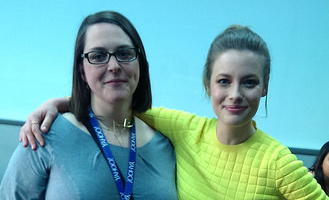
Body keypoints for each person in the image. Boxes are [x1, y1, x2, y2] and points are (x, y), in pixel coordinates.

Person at [18, 25, 329, 199]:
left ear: (265, 87)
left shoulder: (278, 162)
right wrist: (60, 103)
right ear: (208, 85)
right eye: (224, 81)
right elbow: (118, 104)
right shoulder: (185, 130)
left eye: (249, 82)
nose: (235, 95)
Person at [0, 11, 177, 200]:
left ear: (140, 64)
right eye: (98, 56)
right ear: (82, 71)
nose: (114, 65)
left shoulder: (165, 146)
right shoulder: (46, 134)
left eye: (124, 53)